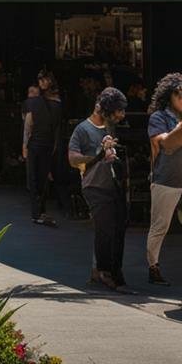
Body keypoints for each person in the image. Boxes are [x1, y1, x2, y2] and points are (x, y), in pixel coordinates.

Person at [68, 87, 131, 293]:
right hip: (94, 186)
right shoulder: (82, 130)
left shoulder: (110, 127)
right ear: (104, 110)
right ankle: (105, 272)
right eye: (118, 111)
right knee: (106, 229)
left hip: (112, 184)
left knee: (116, 228)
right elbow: (72, 158)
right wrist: (97, 156)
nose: (121, 115)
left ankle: (106, 270)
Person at [146, 73, 182, 286]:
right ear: (171, 95)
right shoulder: (159, 118)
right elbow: (166, 145)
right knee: (160, 225)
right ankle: (153, 266)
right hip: (166, 180)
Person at [23, 73, 64, 227]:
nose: (42, 83)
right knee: (34, 179)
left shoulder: (55, 103)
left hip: (45, 144)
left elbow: (56, 128)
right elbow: (28, 125)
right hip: (36, 143)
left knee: (41, 178)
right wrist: (25, 145)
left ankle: (40, 211)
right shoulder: (34, 103)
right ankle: (37, 212)